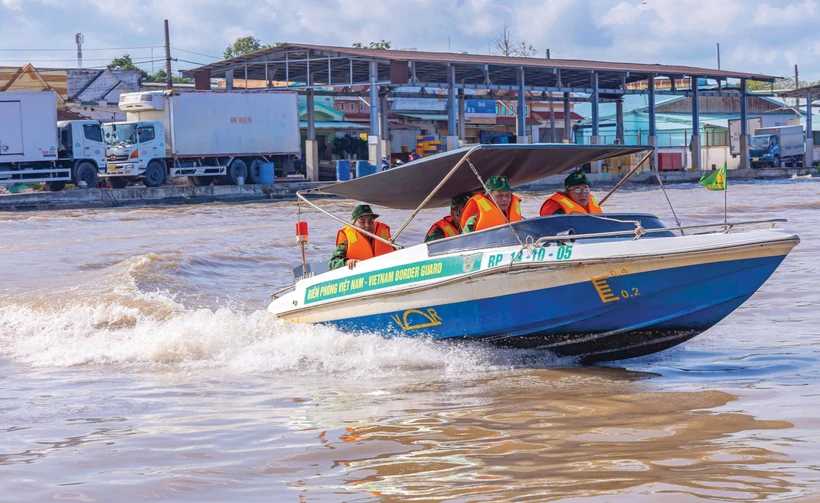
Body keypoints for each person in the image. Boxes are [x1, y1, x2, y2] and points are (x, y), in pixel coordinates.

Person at [329, 204, 393, 270]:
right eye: (362, 222)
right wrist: (347, 262)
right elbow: (332, 264)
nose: (367, 225)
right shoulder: (347, 239)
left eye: (370, 221)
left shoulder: (383, 234)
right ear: (354, 224)